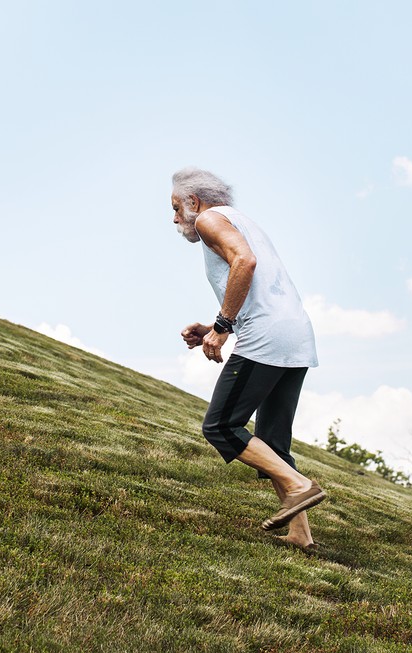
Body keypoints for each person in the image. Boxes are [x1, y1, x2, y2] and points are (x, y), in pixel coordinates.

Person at [171, 167, 325, 551]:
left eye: (176, 208)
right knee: (272, 441)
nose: (174, 219)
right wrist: (213, 325)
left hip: (266, 338)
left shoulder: (208, 220)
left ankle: (299, 485)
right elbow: (261, 291)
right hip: (295, 335)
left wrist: (223, 326)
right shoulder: (244, 221)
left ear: (194, 202)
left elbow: (245, 262)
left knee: (220, 426)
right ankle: (301, 534)